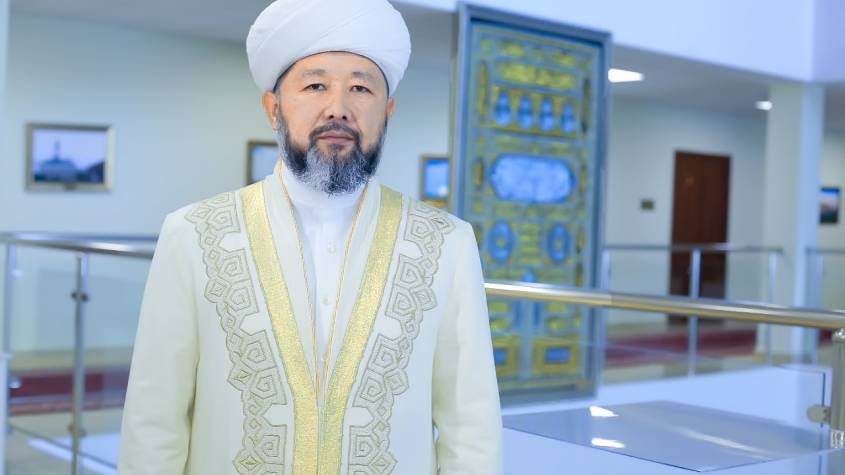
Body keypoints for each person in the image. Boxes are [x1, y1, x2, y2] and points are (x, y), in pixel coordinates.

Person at [117, 0, 502, 473]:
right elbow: (154, 420)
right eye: (315, 86)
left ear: (388, 112)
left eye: (361, 88)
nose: (338, 108)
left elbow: (471, 427)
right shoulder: (194, 233)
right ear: (273, 108)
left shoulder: (445, 243)